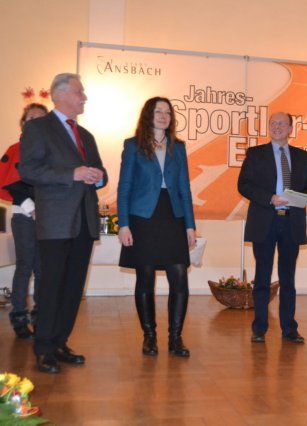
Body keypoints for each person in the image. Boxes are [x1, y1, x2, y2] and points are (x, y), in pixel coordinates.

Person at [20, 73, 107, 374]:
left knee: (73, 287)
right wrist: (71, 174)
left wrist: (98, 176)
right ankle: (44, 347)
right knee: (51, 285)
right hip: (56, 221)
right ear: (61, 94)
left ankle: (60, 342)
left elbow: (100, 170)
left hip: (84, 220)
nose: (85, 97)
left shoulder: (86, 135)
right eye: (80, 92)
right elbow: (28, 170)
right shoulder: (38, 128)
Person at [117, 96, 196, 358]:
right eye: (158, 111)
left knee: (179, 276)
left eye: (168, 112)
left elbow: (184, 188)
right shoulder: (133, 145)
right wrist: (124, 224)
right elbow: (124, 187)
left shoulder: (178, 147)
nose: (163, 116)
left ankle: (176, 338)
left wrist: (190, 225)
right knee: (145, 277)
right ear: (148, 115)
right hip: (142, 217)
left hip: (173, 216)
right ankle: (149, 337)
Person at [238, 112, 307, 344]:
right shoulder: (256, 154)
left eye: (282, 123)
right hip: (265, 220)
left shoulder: (301, 156)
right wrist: (269, 198)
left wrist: (301, 197)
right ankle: (259, 328)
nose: (277, 127)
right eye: (273, 123)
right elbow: (244, 185)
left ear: (291, 128)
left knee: (288, 279)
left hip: (291, 222)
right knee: (262, 277)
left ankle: (289, 328)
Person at [0, 103, 47, 339]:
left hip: (48, 217)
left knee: (43, 268)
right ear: (23, 123)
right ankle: (19, 316)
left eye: (41, 118)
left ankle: (40, 315)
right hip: (24, 217)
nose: (35, 121)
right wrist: (32, 208)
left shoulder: (51, 151)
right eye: (31, 117)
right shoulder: (15, 148)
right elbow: (9, 182)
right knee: (25, 266)